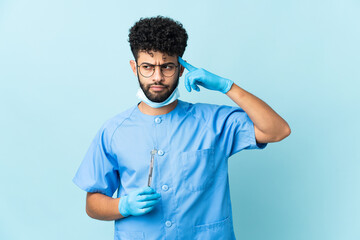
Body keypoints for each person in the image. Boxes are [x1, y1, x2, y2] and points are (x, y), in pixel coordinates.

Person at [73, 16, 291, 239]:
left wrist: (227, 86)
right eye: (147, 67)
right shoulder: (114, 131)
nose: (157, 77)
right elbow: (92, 204)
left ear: (181, 68)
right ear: (134, 67)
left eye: (167, 66)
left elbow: (277, 130)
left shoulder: (213, 122)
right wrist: (123, 206)